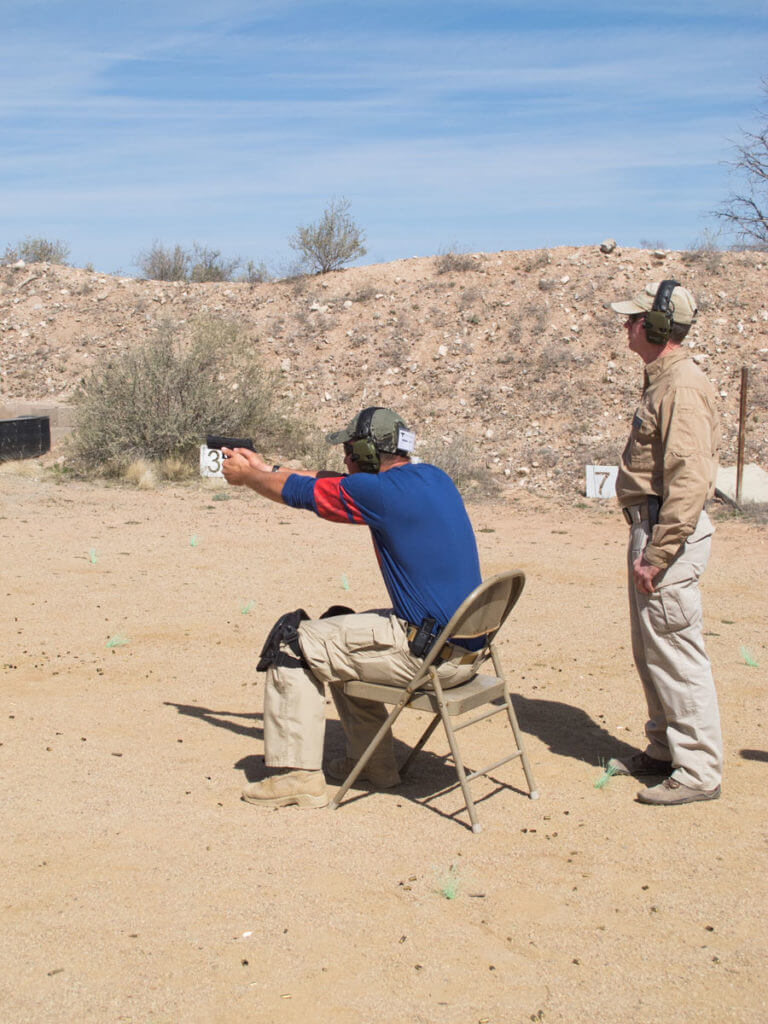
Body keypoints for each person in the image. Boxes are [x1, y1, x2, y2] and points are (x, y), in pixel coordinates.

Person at [220, 407, 483, 809]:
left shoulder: (378, 493)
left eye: (349, 449)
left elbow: (299, 493)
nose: (344, 458)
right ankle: (373, 765)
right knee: (336, 624)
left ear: (367, 449)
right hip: (464, 651)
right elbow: (329, 481)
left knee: (294, 639)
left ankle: (298, 778)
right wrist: (265, 465)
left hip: (428, 658)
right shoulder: (434, 478)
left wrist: (248, 477)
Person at [607, 280, 722, 805]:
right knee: (652, 647)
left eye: (635, 319)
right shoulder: (663, 381)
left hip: (664, 535)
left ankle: (697, 771)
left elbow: (690, 479)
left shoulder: (680, 386)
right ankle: (665, 747)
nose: (626, 327)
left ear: (656, 328)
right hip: (650, 528)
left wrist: (658, 552)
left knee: (676, 651)